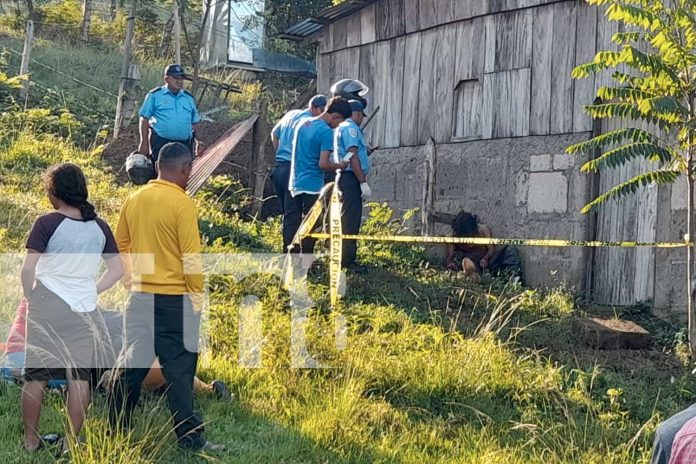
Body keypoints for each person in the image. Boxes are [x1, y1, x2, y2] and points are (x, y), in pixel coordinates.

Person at [111, 142, 222, 452]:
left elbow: (121, 244)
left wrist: (133, 277)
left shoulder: (135, 199)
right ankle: (189, 438)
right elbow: (191, 257)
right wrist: (197, 299)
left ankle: (115, 426)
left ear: (158, 166)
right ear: (185, 169)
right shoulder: (182, 203)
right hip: (176, 300)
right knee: (180, 369)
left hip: (140, 296)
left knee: (131, 363)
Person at [20, 163, 123, 453]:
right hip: (84, 309)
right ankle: (70, 442)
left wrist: (31, 297)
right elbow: (117, 271)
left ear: (54, 193)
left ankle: (30, 441)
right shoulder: (100, 227)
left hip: (47, 305)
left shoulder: (47, 223)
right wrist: (92, 289)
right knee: (79, 378)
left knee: (36, 376)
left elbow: (28, 270)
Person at [283, 97, 352, 253]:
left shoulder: (303, 124)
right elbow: (323, 164)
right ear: (336, 116)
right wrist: (340, 165)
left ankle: (288, 257)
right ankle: (305, 263)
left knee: (291, 222)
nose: (337, 126)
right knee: (312, 226)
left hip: (295, 182)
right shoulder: (326, 132)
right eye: (339, 123)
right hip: (313, 185)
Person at [270, 95, 327, 214]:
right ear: (314, 108)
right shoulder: (308, 122)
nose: (323, 115)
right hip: (295, 170)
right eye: (322, 111)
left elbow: (274, 134)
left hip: (280, 168)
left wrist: (279, 153)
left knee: (287, 214)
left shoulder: (291, 114)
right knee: (298, 214)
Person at [333, 99, 372, 273]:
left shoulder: (341, 127)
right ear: (356, 113)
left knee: (346, 217)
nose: (362, 119)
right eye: (361, 115)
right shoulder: (350, 128)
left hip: (345, 176)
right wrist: (363, 182)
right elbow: (352, 155)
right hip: (350, 178)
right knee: (350, 219)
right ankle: (347, 260)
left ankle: (344, 257)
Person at [137, 64, 201, 164]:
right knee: (160, 173)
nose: (179, 81)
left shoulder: (188, 98)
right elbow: (144, 118)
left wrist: (199, 142)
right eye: (176, 78)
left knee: (182, 175)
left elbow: (195, 122)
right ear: (166, 79)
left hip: (184, 145)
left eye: (181, 78)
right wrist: (144, 142)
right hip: (161, 143)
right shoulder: (155, 95)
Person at [444, 212, 521, 282]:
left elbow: (491, 249)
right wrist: (451, 264)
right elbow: (449, 259)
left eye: (471, 236)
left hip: (486, 262)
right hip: (468, 263)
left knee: (510, 249)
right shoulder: (454, 237)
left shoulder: (483, 230)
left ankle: (513, 277)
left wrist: (485, 258)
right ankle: (471, 276)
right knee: (461, 260)